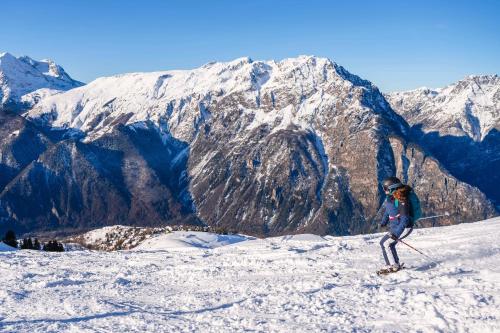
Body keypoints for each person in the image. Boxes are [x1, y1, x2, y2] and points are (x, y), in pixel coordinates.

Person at [379, 176, 411, 272]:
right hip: (396, 227)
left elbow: (405, 219)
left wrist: (396, 234)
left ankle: (393, 266)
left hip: (403, 228)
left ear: (392, 188)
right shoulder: (394, 198)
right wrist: (384, 221)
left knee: (387, 244)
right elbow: (389, 210)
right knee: (384, 243)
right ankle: (394, 263)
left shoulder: (402, 200)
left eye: (386, 189)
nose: (384, 191)